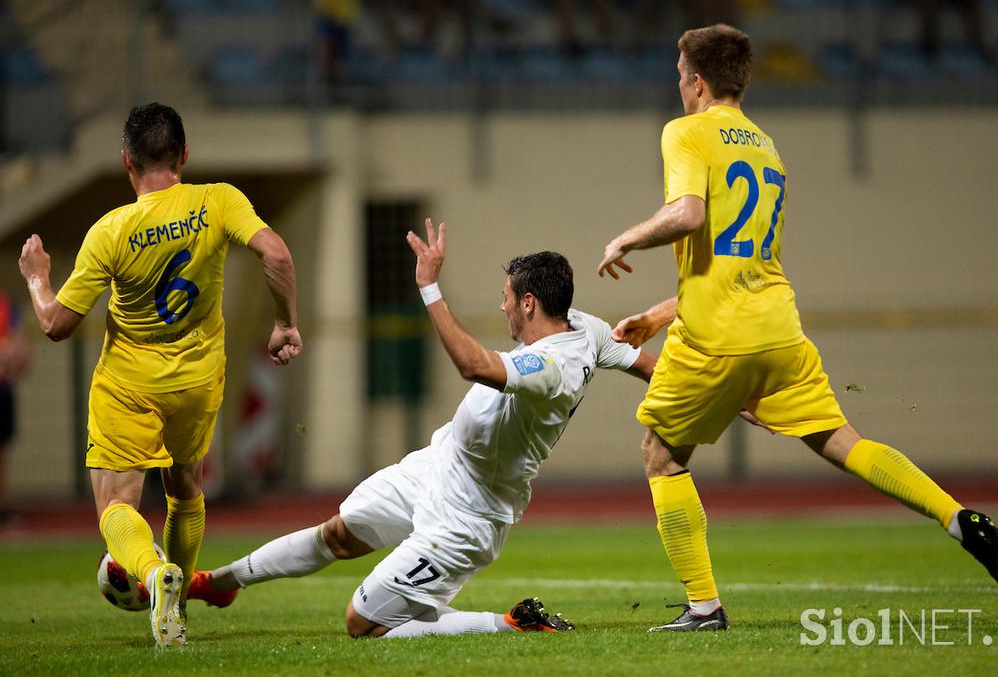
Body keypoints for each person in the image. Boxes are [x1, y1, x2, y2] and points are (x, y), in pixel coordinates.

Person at [596, 24, 998, 632]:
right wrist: (660, 315)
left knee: (662, 456)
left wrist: (627, 236)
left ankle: (703, 607)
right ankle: (957, 517)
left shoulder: (684, 131)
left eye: (679, 75)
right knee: (842, 441)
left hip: (718, 339)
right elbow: (742, 266)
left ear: (696, 81)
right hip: (779, 329)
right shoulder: (768, 149)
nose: (679, 86)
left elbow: (687, 215)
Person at [192, 219, 657, 638]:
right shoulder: (587, 329)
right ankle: (219, 582)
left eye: (507, 297)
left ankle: (511, 623)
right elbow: (645, 363)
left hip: (468, 514)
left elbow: (473, 365)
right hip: (436, 467)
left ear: (529, 302)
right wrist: (714, 393)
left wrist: (429, 287)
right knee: (336, 534)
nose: (502, 306)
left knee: (364, 623)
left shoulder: (553, 365)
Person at [17, 103, 302, 647]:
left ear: (127, 160)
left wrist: (38, 278)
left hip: (130, 382)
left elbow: (56, 325)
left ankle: (154, 577)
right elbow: (278, 255)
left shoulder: (111, 231)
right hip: (198, 379)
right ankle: (178, 607)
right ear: (184, 156)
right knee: (186, 487)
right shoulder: (218, 200)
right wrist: (285, 323)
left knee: (117, 505)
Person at [0, 291, 32, 524]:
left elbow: (19, 350)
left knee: (3, 451)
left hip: (3, 389)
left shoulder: (7, 307)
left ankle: (2, 507)